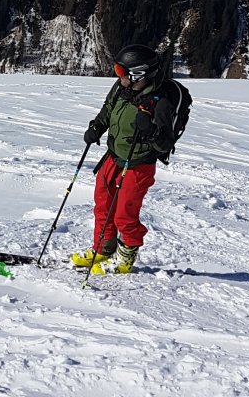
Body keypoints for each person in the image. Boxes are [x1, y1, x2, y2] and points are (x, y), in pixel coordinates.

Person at [72, 43, 184, 275]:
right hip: (113, 156)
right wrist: (96, 127)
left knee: (125, 213)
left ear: (139, 74)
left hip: (138, 165)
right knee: (103, 204)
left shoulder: (160, 102)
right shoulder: (120, 88)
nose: (118, 76)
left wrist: (150, 130)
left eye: (122, 72)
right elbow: (107, 110)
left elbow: (165, 143)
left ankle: (125, 258)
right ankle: (103, 248)